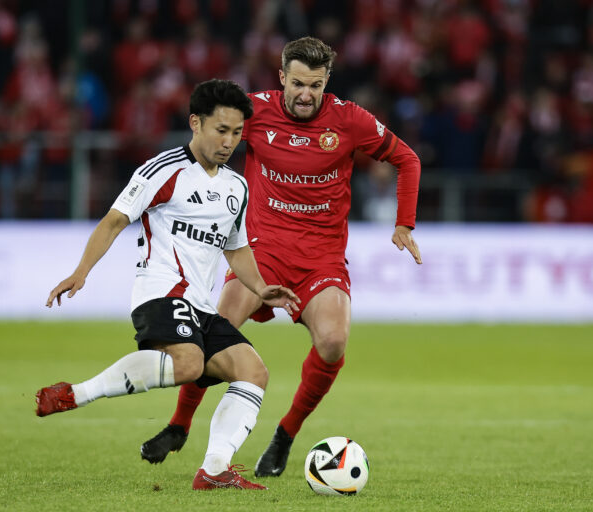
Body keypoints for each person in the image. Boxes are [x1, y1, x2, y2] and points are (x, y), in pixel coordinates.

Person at [140, 37, 422, 477]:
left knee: (332, 344)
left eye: (315, 84)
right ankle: (179, 425)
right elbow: (204, 139)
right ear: (281, 79)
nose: (305, 94)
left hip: (321, 257)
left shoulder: (350, 120)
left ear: (326, 81)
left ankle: (285, 435)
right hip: (262, 251)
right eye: (297, 84)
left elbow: (407, 159)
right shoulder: (253, 112)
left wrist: (404, 222)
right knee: (215, 329)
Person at [35, 79, 300, 491]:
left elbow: (236, 249)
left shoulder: (236, 187)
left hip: (200, 304)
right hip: (160, 292)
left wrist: (262, 288)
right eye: (220, 130)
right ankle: (76, 393)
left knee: (253, 372)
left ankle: (214, 469)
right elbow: (115, 220)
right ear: (195, 123)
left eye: (236, 133)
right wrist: (82, 270)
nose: (229, 141)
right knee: (189, 364)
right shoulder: (163, 170)